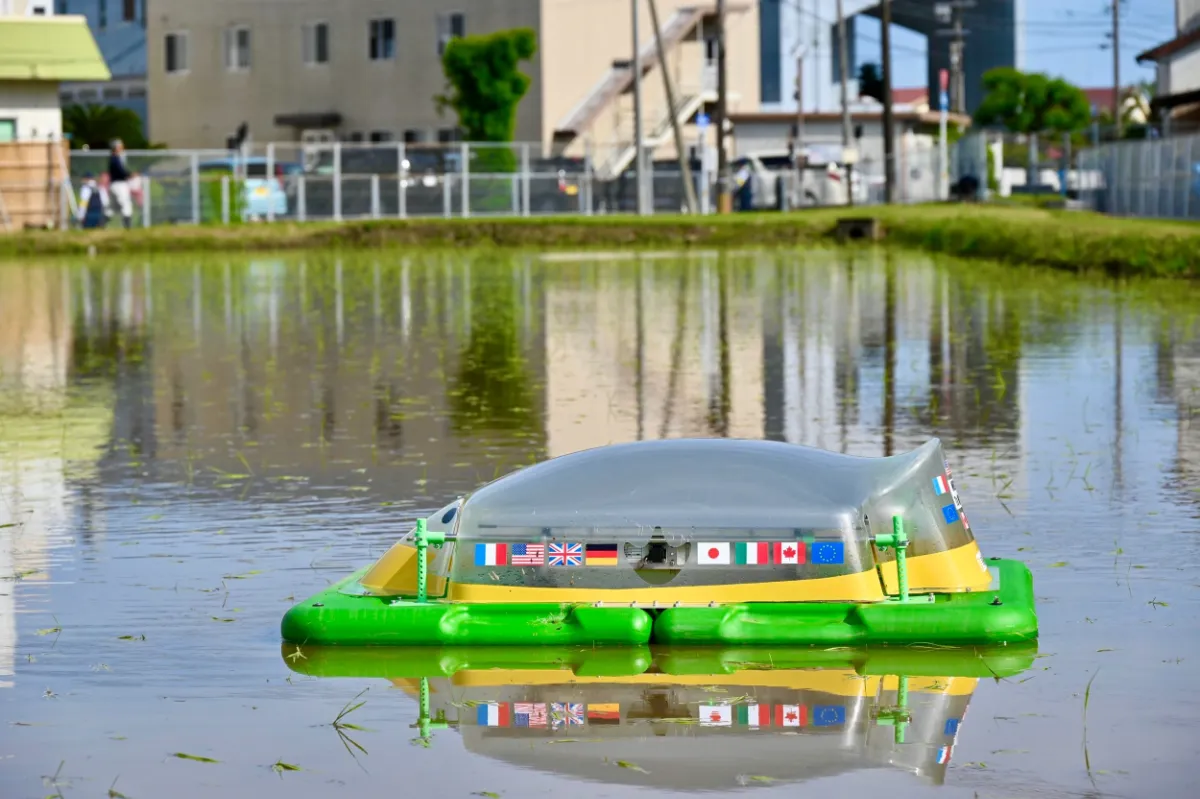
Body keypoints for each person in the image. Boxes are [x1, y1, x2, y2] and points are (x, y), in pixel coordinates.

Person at [107, 138, 136, 228]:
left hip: (114, 184)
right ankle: (127, 226)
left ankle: (102, 224)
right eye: (120, 146)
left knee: (112, 207)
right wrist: (130, 174)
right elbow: (120, 171)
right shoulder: (115, 158)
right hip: (119, 184)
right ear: (116, 147)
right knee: (126, 203)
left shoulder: (116, 158)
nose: (122, 148)